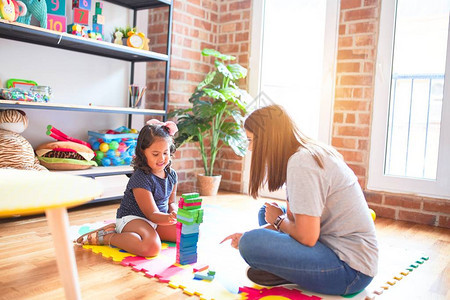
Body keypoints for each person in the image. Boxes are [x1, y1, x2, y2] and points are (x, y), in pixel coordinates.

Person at [221, 105, 378, 295]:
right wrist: (249, 231)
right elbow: (296, 221)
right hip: (332, 249)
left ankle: (291, 271)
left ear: (269, 139)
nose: (250, 147)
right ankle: (295, 271)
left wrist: (275, 222)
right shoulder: (303, 153)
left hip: (350, 271)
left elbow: (307, 236)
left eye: (252, 140)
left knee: (250, 243)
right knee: (265, 213)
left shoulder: (302, 163)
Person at [76, 119, 179, 257]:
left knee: (190, 232)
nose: (162, 158)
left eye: (165, 153)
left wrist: (175, 213)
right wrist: (168, 219)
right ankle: (109, 236)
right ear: (143, 152)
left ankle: (144, 234)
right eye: (155, 154)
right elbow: (151, 214)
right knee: (151, 248)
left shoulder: (171, 175)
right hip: (134, 218)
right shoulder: (141, 178)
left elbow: (171, 202)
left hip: (159, 220)